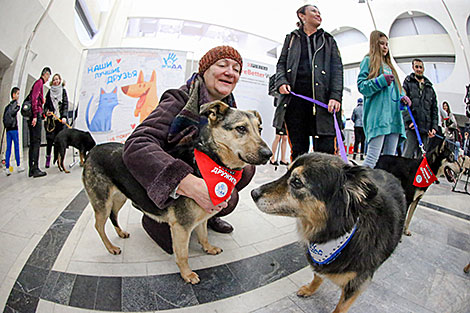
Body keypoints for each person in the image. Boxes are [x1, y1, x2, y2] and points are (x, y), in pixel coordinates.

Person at [123, 46, 255, 254]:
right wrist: (185, 182)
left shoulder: (230, 110)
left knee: (246, 168)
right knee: (225, 197)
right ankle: (155, 219)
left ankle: (207, 214)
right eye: (222, 65)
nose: (231, 72)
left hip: (201, 167)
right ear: (205, 70)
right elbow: (137, 144)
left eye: (237, 68)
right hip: (172, 177)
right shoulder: (178, 99)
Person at [274, 4, 343, 161]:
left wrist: (335, 96)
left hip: (323, 103)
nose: (318, 14)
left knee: (325, 153)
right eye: (314, 11)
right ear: (301, 15)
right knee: (299, 152)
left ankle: (325, 185)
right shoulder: (291, 38)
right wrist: (281, 81)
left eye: (319, 12)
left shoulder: (328, 40)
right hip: (295, 103)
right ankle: (298, 185)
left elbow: (337, 69)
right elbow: (281, 64)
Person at [357, 30, 410, 168]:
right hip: (379, 117)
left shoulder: (390, 67)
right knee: (372, 157)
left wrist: (402, 97)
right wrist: (379, 81)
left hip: (393, 118)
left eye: (387, 44)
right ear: (374, 44)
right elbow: (362, 86)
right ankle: (360, 186)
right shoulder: (368, 61)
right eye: (381, 43)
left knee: (389, 160)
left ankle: (384, 188)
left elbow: (396, 90)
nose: (385, 47)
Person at [401, 59, 438, 159]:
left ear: (423, 68)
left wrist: (434, 127)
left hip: (425, 128)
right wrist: (409, 121)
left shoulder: (429, 88)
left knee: (422, 158)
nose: (419, 69)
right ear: (413, 68)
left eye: (420, 67)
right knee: (407, 155)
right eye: (416, 67)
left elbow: (434, 109)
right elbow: (403, 104)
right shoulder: (407, 83)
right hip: (412, 127)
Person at [28, 67, 51, 178]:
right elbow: (34, 99)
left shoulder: (38, 83)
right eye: (48, 76)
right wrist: (35, 115)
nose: (48, 79)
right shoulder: (39, 83)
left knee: (33, 142)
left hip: (36, 114)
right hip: (35, 115)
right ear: (45, 74)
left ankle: (31, 168)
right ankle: (35, 168)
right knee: (36, 141)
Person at [44, 73, 68, 168]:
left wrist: (64, 116)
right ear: (52, 82)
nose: (56, 81)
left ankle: (59, 160)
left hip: (60, 121)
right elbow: (45, 106)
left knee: (60, 141)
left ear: (60, 80)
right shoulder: (49, 92)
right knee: (50, 140)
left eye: (57, 79)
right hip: (51, 121)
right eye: (54, 79)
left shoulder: (63, 91)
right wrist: (46, 112)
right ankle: (48, 158)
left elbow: (65, 105)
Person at [3, 87, 25, 176]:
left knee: (8, 148)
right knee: (16, 147)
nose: (18, 96)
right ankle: (18, 165)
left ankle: (7, 167)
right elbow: (13, 112)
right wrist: (18, 108)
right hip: (14, 129)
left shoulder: (7, 106)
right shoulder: (14, 104)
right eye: (18, 94)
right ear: (14, 95)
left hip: (8, 130)